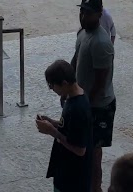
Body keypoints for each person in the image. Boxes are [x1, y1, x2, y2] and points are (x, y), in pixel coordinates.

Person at [71, 0, 116, 192]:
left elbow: (101, 82)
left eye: (88, 13)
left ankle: (96, 188)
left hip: (98, 106)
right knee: (81, 148)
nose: (83, 16)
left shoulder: (102, 43)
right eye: (82, 11)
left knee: (93, 152)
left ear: (99, 14)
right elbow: (75, 60)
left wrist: (85, 105)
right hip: (82, 100)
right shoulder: (82, 33)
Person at [38, 59, 93, 192]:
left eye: (52, 85)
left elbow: (80, 150)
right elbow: (70, 127)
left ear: (64, 83)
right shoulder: (72, 97)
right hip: (65, 171)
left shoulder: (79, 108)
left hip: (73, 178)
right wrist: (52, 122)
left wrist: (52, 131)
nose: (52, 89)